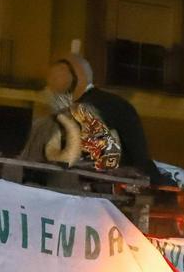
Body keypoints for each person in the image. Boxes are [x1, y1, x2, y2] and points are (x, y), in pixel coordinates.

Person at [25, 53, 163, 184]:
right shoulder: (115, 103)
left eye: (55, 79)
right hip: (140, 180)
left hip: (113, 187)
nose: (49, 87)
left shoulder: (82, 111)